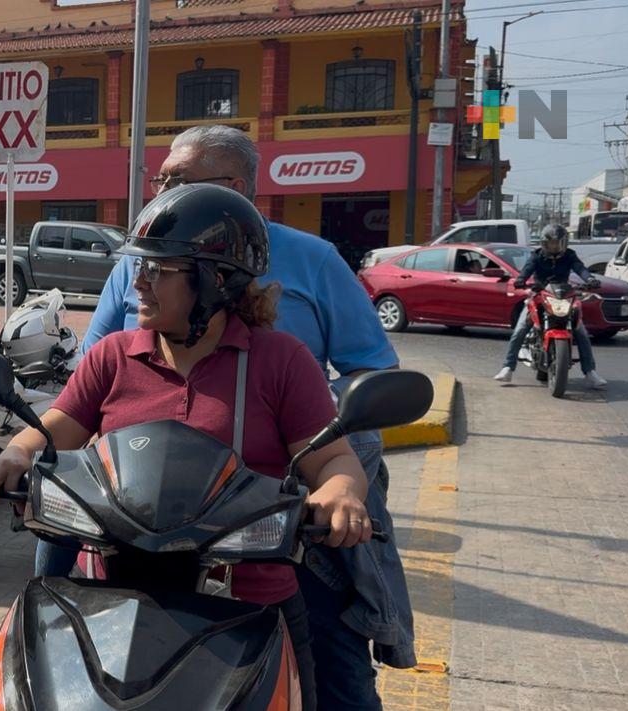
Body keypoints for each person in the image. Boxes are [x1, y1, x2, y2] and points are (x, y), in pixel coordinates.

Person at [0, 184, 373, 709]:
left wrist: (341, 493)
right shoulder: (113, 354)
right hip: (106, 599)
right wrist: (15, 454)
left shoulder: (280, 361)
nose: (137, 282)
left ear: (215, 281)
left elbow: (334, 460)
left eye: (157, 270)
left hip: (249, 601)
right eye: (138, 266)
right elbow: (56, 425)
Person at [74, 125, 412, 709]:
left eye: (175, 182)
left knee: (337, 660)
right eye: (159, 181)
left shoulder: (312, 267)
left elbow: (372, 372)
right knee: (51, 577)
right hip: (139, 505)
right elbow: (91, 372)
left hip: (267, 507)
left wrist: (322, 462)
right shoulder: (144, 259)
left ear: (230, 189)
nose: (159, 192)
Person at [495, 224, 607, 388]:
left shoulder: (570, 255)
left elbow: (580, 269)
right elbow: (527, 270)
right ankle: (507, 368)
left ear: (564, 243)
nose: (555, 246)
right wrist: (521, 280)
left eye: (558, 243)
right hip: (540, 295)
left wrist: (589, 279)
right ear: (544, 243)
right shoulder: (537, 256)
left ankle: (590, 372)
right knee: (520, 330)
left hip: (563, 295)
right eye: (551, 243)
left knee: (581, 332)